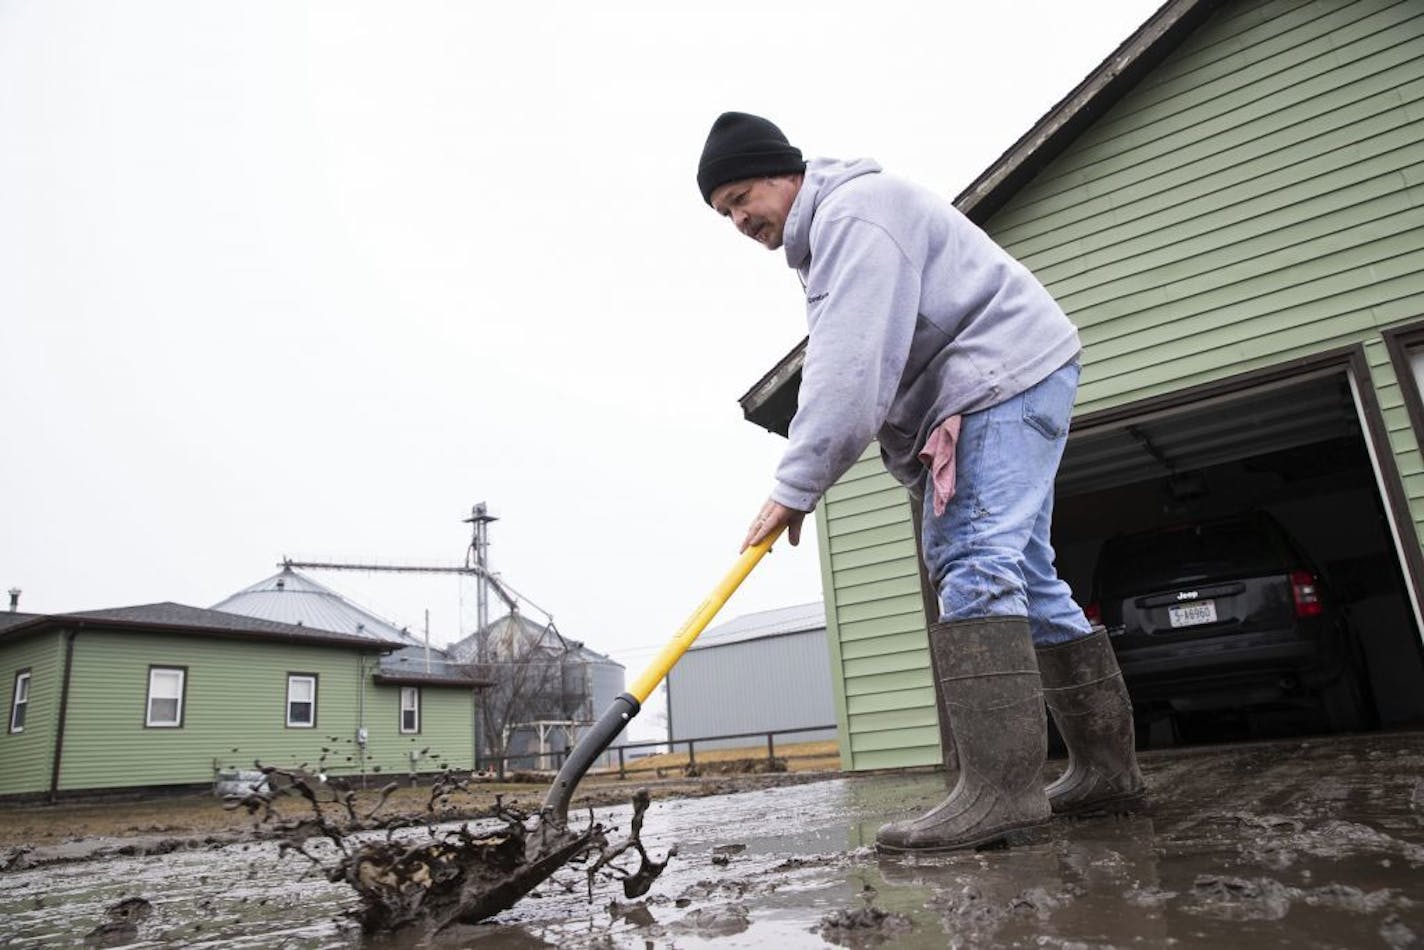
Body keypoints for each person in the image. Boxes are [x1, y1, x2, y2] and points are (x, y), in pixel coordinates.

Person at [697, 111, 1145, 852]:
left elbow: (850, 369)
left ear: (786, 172)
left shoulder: (855, 216)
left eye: (742, 196)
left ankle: (999, 793)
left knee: (973, 559)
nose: (739, 218)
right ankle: (1105, 773)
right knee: (1026, 576)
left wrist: (795, 486)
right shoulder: (831, 234)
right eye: (724, 212)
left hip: (1000, 377)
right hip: (1015, 374)